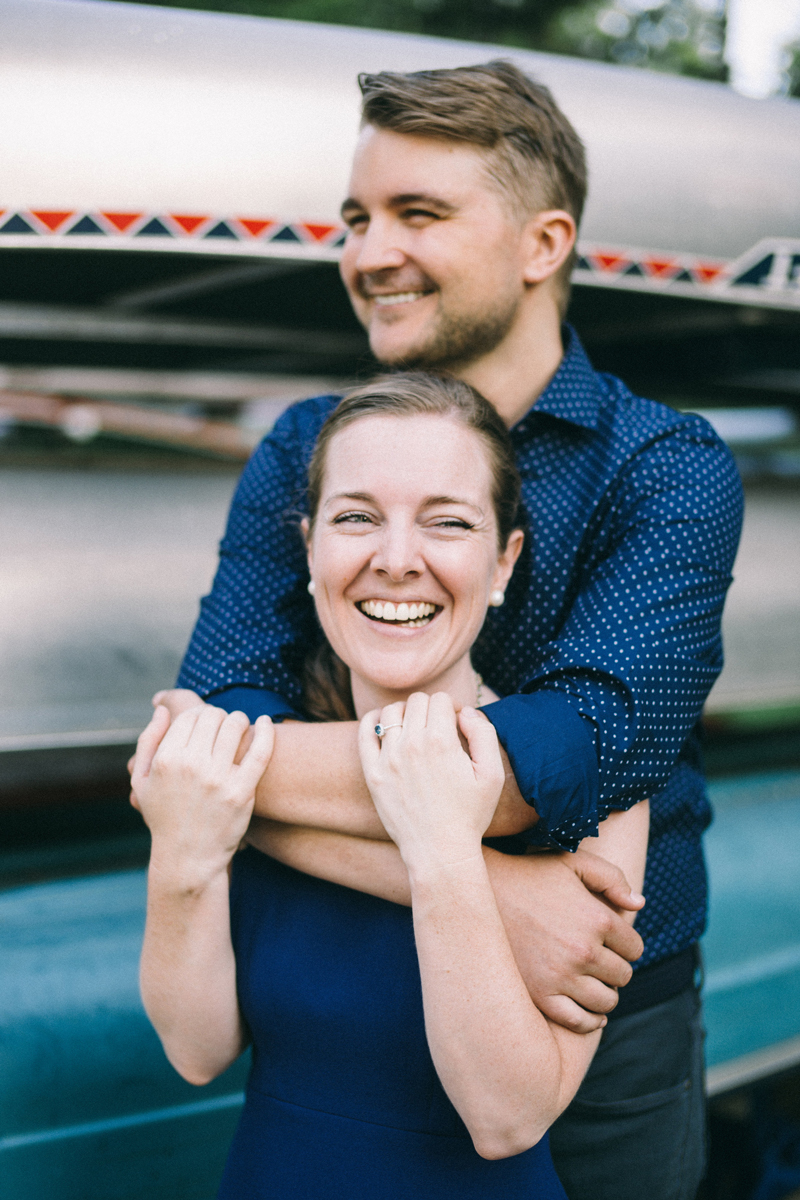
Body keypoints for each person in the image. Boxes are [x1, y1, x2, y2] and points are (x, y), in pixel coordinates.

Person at [158, 61, 743, 1200]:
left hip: (599, 1005)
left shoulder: (664, 465)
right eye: (358, 218)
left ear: (542, 245)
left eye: (417, 214)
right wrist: (503, 900)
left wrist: (220, 782)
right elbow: (222, 705)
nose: (368, 252)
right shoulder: (302, 447)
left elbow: (568, 753)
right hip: (362, 983)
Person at [135, 373, 650, 1199]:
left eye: (447, 522)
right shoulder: (268, 772)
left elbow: (507, 1118)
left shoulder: (592, 789)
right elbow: (197, 1051)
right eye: (356, 518)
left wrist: (443, 851)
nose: (397, 560)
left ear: (503, 561)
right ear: (310, 551)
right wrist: (183, 854)